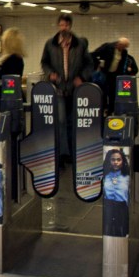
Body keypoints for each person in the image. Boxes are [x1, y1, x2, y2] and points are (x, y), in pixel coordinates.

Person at [40, 14, 94, 167]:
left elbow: (89, 64)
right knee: (61, 120)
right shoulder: (50, 44)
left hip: (75, 89)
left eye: (66, 25)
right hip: (58, 89)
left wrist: (82, 77)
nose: (63, 28)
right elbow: (44, 62)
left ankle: (72, 151)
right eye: (61, 25)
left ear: (70, 26)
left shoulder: (80, 44)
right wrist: (50, 73)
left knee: (72, 121)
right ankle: (63, 153)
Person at [91, 37, 138, 113]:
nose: (123, 48)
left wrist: (123, 73)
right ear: (119, 44)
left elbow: (123, 64)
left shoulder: (124, 52)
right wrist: (98, 63)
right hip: (104, 73)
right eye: (123, 46)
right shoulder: (108, 47)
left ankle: (110, 111)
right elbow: (93, 54)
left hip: (114, 75)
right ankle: (102, 109)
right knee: (103, 92)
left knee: (113, 93)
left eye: (125, 47)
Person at [0, 27, 25, 112]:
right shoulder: (17, 58)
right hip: (12, 95)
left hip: (7, 96)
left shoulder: (13, 59)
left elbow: (6, 75)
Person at [102, 148, 130, 236]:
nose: (116, 162)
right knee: (108, 230)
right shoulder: (105, 175)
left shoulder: (127, 176)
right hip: (108, 205)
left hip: (122, 207)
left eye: (119, 160)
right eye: (113, 160)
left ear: (123, 161)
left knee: (121, 231)